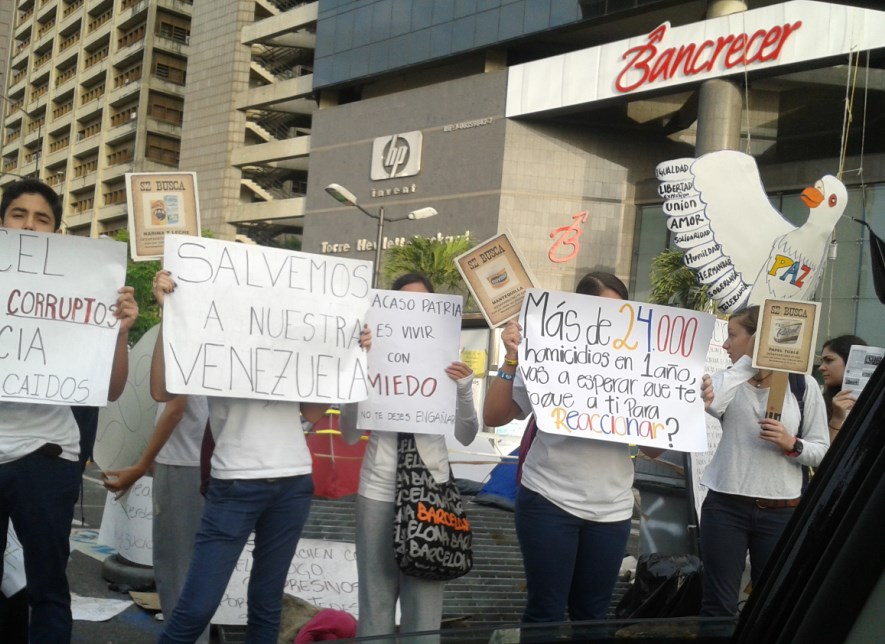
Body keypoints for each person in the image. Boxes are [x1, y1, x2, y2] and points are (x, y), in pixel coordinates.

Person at [150, 269, 370, 643]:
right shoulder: (213, 334)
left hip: (293, 482)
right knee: (196, 607)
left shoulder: (295, 337)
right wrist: (169, 316)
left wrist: (347, 355)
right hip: (234, 481)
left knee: (267, 605)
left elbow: (313, 413)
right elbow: (160, 389)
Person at [483, 272, 696, 623]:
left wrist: (684, 402)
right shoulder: (546, 353)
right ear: (579, 309)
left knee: (592, 616)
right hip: (548, 500)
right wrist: (510, 359)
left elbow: (653, 450)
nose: (610, 322)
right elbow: (495, 414)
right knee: (545, 612)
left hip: (610, 511)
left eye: (619, 313)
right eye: (602, 310)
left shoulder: (639, 366)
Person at [0, 178, 138, 642]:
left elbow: (112, 388)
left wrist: (119, 330)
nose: (30, 225)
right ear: (3, 221)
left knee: (49, 587)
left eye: (42, 218)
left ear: (56, 231)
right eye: (19, 214)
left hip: (48, 457)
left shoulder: (80, 289)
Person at [339, 272, 479, 641]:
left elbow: (467, 434)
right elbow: (349, 434)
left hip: (431, 494)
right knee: (376, 600)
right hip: (377, 492)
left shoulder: (446, 361)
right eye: (406, 305)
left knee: (425, 608)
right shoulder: (369, 358)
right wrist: (357, 365)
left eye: (422, 305)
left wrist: (465, 389)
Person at [700, 305, 829, 617]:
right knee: (718, 605)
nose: (725, 344)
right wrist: (751, 361)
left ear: (756, 337)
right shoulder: (729, 380)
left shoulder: (802, 385)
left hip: (780, 512)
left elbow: (822, 450)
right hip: (725, 506)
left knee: (770, 604)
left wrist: (791, 443)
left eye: (733, 336)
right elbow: (710, 402)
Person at [102, 394, 210, 644]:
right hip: (203, 458)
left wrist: (142, 463)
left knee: (176, 572)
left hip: (183, 460)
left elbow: (173, 408)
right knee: (194, 569)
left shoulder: (177, 352)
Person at [818, 334, 867, 442]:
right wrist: (836, 419)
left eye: (829, 360)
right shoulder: (819, 401)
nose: (821, 368)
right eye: (822, 361)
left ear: (851, 361)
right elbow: (825, 454)